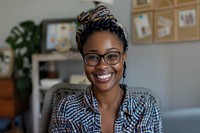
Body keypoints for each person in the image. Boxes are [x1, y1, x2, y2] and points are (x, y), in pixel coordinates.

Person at [50, 5, 163, 133]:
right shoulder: (67, 109)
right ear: (84, 59)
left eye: (112, 56)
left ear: (123, 57)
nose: (102, 65)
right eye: (92, 57)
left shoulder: (146, 109)